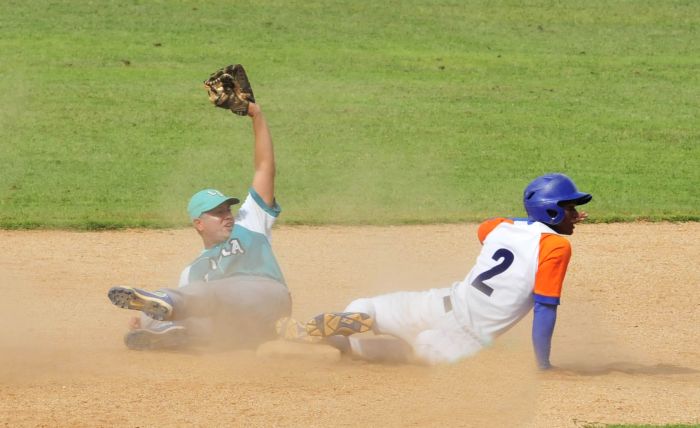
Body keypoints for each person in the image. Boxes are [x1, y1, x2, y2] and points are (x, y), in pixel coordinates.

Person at [282, 173, 591, 369]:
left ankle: (309, 331)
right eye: (570, 208)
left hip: (437, 302)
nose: (576, 214)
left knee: (366, 308)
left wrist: (539, 218)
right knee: (418, 355)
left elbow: (487, 228)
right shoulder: (556, 248)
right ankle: (367, 347)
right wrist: (544, 364)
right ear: (551, 210)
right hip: (461, 337)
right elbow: (545, 310)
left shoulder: (501, 228)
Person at [108, 101, 291, 351]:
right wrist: (144, 321)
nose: (228, 216)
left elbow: (264, 168)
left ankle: (167, 312)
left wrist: (256, 115)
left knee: (203, 295)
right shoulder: (192, 271)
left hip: (268, 298)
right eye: (218, 213)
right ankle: (165, 333)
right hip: (246, 332)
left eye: (228, 209)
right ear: (199, 224)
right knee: (166, 312)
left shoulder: (250, 221)